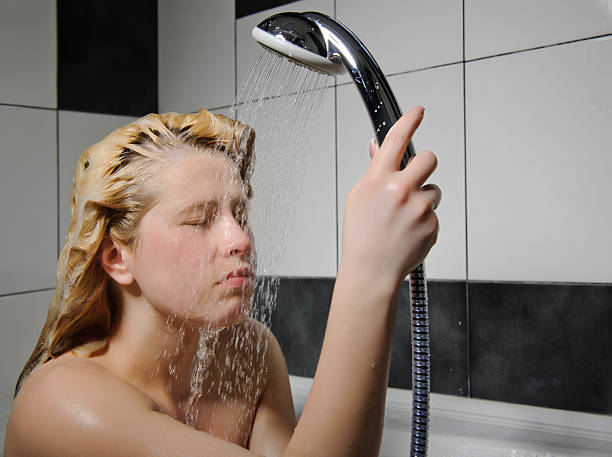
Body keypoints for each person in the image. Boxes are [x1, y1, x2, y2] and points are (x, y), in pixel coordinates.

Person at [3, 105, 440, 457]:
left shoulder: (249, 352)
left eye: (240, 215)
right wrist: (368, 271)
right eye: (199, 220)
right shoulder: (60, 402)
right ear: (118, 258)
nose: (240, 239)